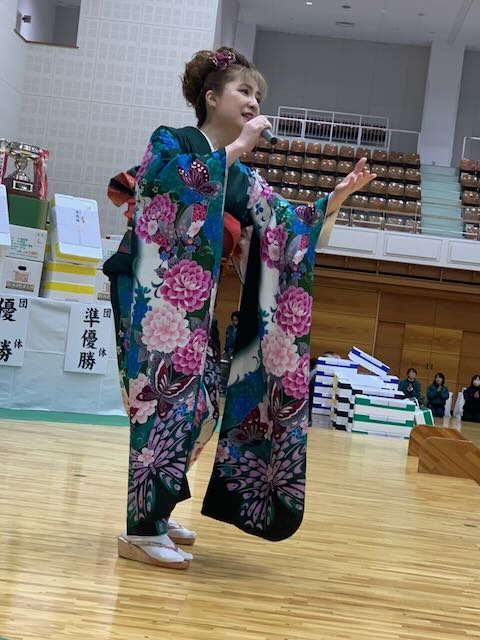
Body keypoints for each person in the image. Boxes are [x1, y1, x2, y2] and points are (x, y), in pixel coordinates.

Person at [104, 46, 375, 569]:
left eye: (258, 96)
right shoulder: (172, 141)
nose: (254, 102)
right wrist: (232, 152)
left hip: (192, 307)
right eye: (244, 91)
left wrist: (336, 197)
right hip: (148, 292)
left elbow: (282, 220)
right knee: (163, 402)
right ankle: (140, 529)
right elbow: (163, 186)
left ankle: (157, 510)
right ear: (211, 97)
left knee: (203, 407)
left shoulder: (238, 172)